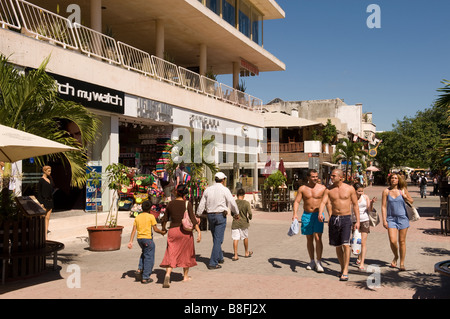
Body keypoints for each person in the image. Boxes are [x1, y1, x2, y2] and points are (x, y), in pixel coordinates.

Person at [318, 169, 360, 281]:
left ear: (341, 177)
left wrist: (358, 221)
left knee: (346, 245)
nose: (331, 177)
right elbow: (323, 202)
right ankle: (342, 268)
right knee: (337, 245)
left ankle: (345, 270)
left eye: (333, 176)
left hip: (346, 218)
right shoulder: (329, 190)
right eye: (331, 176)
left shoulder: (350, 189)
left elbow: (355, 205)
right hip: (334, 218)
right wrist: (320, 213)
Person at [160, 184, 201, 288]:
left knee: (171, 253)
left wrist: (164, 229)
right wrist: (199, 232)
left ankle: (168, 274)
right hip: (185, 232)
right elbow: (192, 219)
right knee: (187, 253)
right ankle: (185, 276)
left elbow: (164, 219)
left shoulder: (170, 204)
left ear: (176, 192)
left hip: (173, 231)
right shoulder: (187, 204)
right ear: (185, 194)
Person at [196, 171, 239, 269]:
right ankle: (213, 262)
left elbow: (202, 203)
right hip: (220, 216)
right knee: (218, 239)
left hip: (210, 216)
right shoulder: (225, 190)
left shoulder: (208, 189)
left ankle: (219, 257)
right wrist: (236, 213)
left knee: (216, 238)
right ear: (223, 180)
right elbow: (232, 202)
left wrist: (198, 214)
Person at [292, 169, 330, 272]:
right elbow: (297, 202)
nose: (315, 178)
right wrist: (295, 214)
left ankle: (319, 261)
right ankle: (312, 260)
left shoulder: (322, 188)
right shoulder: (303, 189)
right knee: (309, 238)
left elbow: (328, 203)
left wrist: (330, 216)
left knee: (318, 237)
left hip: (318, 215)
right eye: (313, 177)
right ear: (308, 177)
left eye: (316, 176)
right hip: (307, 215)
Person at [127, 200, 166, 284]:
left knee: (144, 253)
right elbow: (155, 229)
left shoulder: (138, 217)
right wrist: (162, 232)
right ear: (150, 208)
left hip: (139, 239)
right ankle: (145, 277)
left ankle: (140, 268)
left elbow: (134, 230)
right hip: (147, 239)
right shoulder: (151, 217)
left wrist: (131, 241)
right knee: (149, 257)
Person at [381, 173, 412, 271]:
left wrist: (405, 196)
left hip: (403, 218)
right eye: (392, 178)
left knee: (402, 241)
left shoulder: (402, 190)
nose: (394, 180)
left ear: (398, 180)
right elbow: (383, 206)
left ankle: (402, 263)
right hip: (391, 219)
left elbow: (411, 201)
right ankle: (396, 256)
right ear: (389, 180)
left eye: (395, 178)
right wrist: (384, 220)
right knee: (393, 240)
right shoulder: (386, 191)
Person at [351, 183, 376, 270]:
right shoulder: (351, 198)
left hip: (365, 220)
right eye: (359, 191)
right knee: (356, 241)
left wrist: (372, 203)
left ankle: (362, 262)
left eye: (362, 191)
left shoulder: (365, 197)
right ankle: (359, 256)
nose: (361, 193)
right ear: (354, 191)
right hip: (354, 221)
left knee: (363, 242)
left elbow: (369, 209)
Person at [232, 188, 253, 261]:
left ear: (237, 195)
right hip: (244, 222)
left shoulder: (234, 202)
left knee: (235, 238)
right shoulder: (246, 203)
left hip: (235, 222)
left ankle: (235, 255)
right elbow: (250, 213)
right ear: (244, 195)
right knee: (245, 237)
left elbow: (232, 213)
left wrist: (235, 216)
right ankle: (246, 252)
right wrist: (250, 218)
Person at [36, 165, 54, 239]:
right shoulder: (41, 180)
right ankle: (41, 234)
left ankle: (45, 233)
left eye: (50, 170)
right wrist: (41, 202)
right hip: (44, 201)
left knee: (47, 218)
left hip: (50, 201)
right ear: (44, 171)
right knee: (42, 218)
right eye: (48, 171)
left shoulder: (50, 179)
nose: (50, 172)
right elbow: (39, 192)